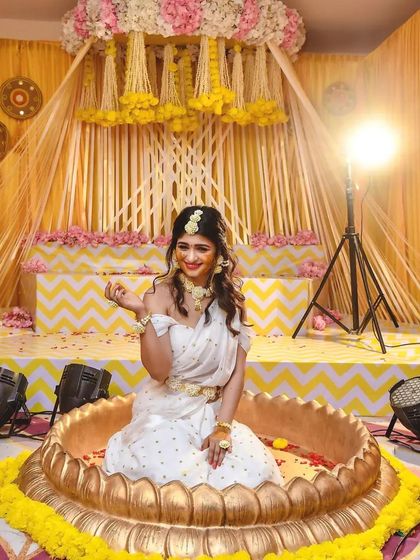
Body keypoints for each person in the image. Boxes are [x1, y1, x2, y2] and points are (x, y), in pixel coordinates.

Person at [103, 206, 283, 489]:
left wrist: (222, 428)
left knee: (254, 475)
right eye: (183, 247)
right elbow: (159, 372)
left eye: (202, 248)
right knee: (169, 477)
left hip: (212, 413)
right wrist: (141, 313)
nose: (190, 257)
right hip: (166, 410)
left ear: (219, 253)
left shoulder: (232, 302)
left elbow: (237, 372)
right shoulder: (159, 296)